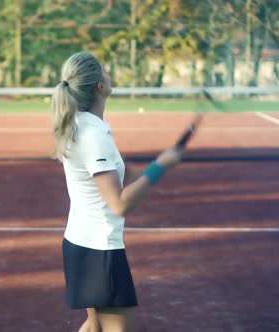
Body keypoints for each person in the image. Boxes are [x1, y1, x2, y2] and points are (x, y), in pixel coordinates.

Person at [51, 52, 183, 332]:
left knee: (93, 326)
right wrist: (161, 166)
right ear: (100, 86)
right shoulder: (93, 136)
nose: (109, 75)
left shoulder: (81, 124)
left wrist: (158, 167)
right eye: (105, 71)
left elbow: (121, 175)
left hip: (80, 244)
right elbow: (119, 204)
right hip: (99, 251)